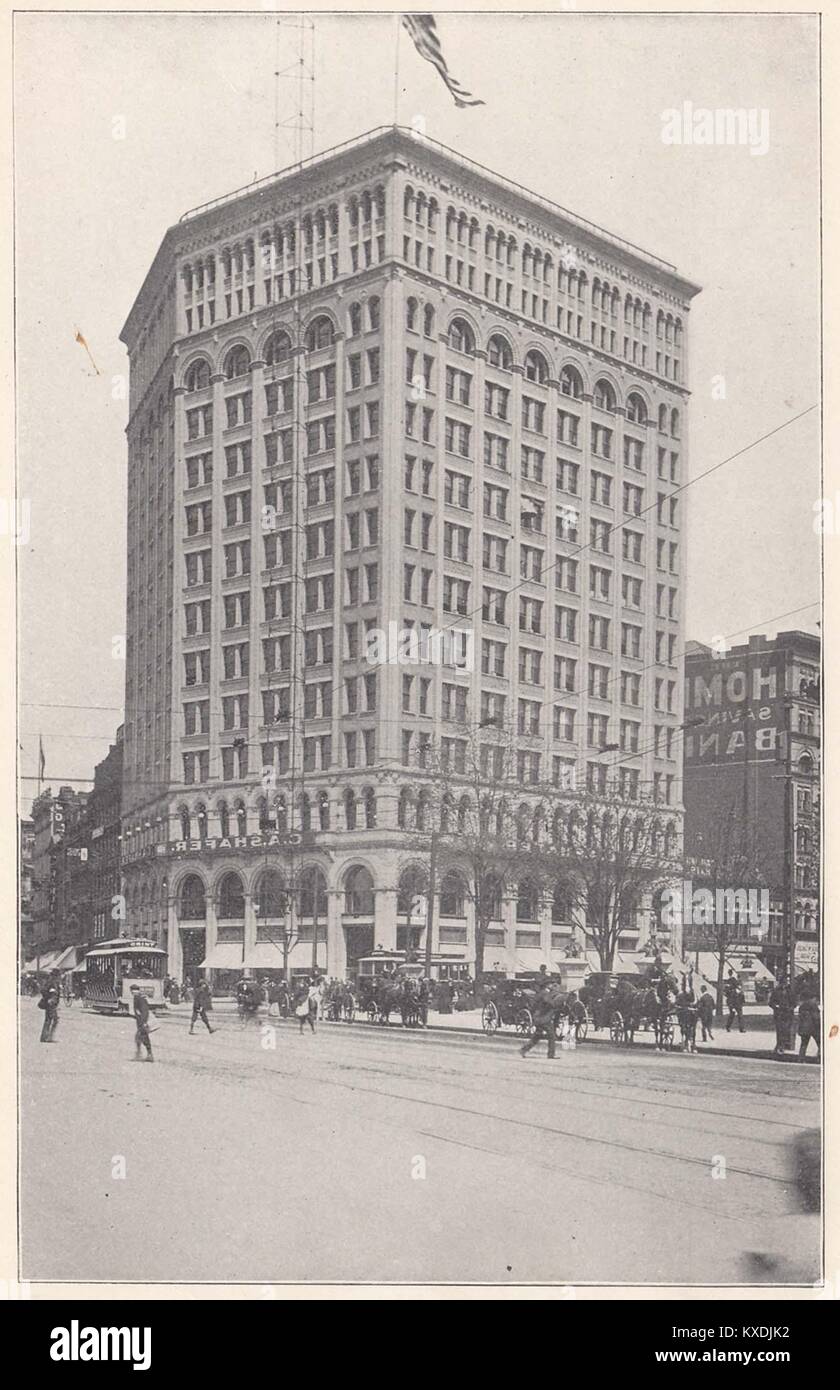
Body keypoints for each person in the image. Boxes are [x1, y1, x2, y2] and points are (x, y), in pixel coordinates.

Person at [520, 984, 562, 1060]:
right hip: (543, 1018)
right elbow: (550, 1003)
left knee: (537, 1036)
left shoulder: (542, 993)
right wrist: (556, 1000)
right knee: (552, 1036)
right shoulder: (545, 993)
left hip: (539, 1017)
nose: (552, 986)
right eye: (552, 984)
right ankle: (551, 1054)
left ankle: (523, 1050)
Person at [768, 981, 794, 1055]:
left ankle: (782, 1045)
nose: (784, 985)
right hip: (779, 1014)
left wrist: (790, 1008)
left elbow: (794, 1003)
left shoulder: (790, 992)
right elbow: (771, 1002)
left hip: (788, 1014)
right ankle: (780, 1046)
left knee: (786, 1030)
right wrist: (775, 1006)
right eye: (783, 983)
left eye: (786, 983)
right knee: (779, 1031)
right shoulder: (776, 992)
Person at [131, 985, 154, 1062]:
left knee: (141, 1038)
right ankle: (144, 1054)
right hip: (140, 1022)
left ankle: (145, 1055)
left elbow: (144, 1011)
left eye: (132, 991)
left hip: (142, 1022)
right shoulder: (137, 998)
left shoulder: (139, 998)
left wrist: (144, 1022)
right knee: (140, 1038)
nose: (132, 993)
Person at [796, 996, 820, 1062]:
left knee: (804, 1044)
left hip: (803, 1028)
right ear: (813, 998)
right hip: (813, 1028)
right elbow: (816, 1018)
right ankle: (820, 1057)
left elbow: (800, 1018)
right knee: (820, 1043)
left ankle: (801, 1059)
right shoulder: (813, 1005)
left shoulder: (802, 1006)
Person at [675, 985, 698, 1053]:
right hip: (683, 1011)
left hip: (691, 1011)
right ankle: (685, 1043)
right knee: (684, 1027)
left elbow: (695, 1003)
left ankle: (692, 1043)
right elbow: (677, 1003)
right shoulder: (680, 995)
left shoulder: (694, 995)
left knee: (693, 1028)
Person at [38, 978, 60, 1043]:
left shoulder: (49, 982)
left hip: (51, 1004)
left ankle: (45, 1037)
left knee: (48, 1020)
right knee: (53, 1020)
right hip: (51, 1004)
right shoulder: (53, 983)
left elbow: (43, 990)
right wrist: (49, 999)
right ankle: (48, 1037)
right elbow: (52, 994)